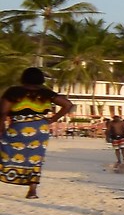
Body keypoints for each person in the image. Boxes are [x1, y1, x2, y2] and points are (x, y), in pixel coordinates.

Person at [1, 68, 72, 198]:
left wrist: (1, 130)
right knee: (35, 157)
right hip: (40, 128)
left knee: (4, 149)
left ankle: (7, 173)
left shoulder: (14, 92)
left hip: (19, 126)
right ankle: (32, 190)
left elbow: (3, 113)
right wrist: (52, 119)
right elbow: (67, 104)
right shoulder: (46, 93)